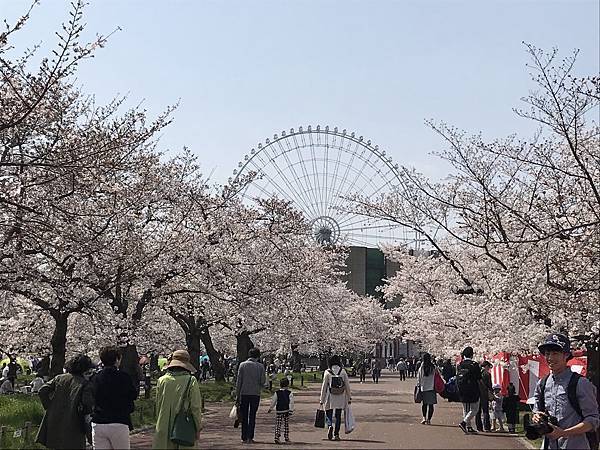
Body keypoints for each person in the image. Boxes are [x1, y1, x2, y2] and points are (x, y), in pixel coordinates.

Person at [533, 333, 599, 450]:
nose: (550, 358)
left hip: (576, 445)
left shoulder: (580, 383)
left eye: (555, 353)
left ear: (566, 355)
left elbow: (592, 420)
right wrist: (537, 416)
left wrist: (563, 433)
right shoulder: (542, 383)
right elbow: (537, 409)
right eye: (547, 354)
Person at [36, 354, 95, 449]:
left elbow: (42, 391)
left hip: (55, 419)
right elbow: (87, 406)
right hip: (74, 423)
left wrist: (49, 407)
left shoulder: (59, 378)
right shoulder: (85, 384)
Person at [91, 346, 138, 449]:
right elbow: (133, 394)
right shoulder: (123, 377)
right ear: (117, 359)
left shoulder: (95, 378)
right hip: (119, 421)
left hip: (99, 422)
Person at [153, 349, 202, 449]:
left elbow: (158, 405)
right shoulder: (191, 380)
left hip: (163, 425)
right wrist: (198, 427)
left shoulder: (162, 380)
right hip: (184, 427)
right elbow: (195, 407)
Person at [236, 348, 266, 444]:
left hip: (244, 393)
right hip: (255, 394)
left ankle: (244, 436)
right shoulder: (260, 366)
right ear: (258, 356)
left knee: (244, 415)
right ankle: (250, 436)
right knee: (252, 415)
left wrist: (237, 395)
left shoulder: (242, 365)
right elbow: (262, 382)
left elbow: (239, 381)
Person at [320, 355, 351, 441]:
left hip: (330, 396)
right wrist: (349, 397)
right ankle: (336, 434)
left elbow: (324, 387)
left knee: (328, 413)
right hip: (340, 396)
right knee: (338, 416)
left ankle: (330, 425)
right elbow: (347, 386)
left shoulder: (327, 372)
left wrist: (321, 399)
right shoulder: (343, 372)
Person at [456, 346, 482, 434]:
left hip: (462, 390)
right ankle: (464, 423)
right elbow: (479, 378)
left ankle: (469, 427)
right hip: (473, 389)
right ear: (472, 354)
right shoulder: (474, 365)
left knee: (466, 409)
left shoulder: (460, 365)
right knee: (475, 409)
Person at [268, 377, 295, 444]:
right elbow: (291, 402)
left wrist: (271, 408)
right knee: (286, 424)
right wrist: (291, 410)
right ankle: (286, 437)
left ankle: (277, 437)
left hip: (279, 410)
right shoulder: (290, 393)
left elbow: (274, 401)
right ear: (287, 385)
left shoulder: (277, 393)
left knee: (278, 424)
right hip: (286, 411)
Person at [416, 353, 438, 424]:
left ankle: (424, 418)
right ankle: (429, 420)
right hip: (431, 388)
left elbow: (419, 378)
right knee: (431, 405)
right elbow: (437, 376)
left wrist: (418, 385)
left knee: (424, 404)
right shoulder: (433, 367)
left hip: (424, 388)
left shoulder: (421, 367)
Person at [475, 360, 493, 432]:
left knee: (477, 411)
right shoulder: (487, 374)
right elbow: (489, 385)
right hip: (484, 394)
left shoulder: (477, 373)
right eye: (488, 367)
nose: (489, 369)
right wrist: (491, 392)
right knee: (485, 411)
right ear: (486, 366)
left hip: (477, 393)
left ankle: (479, 427)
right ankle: (487, 427)